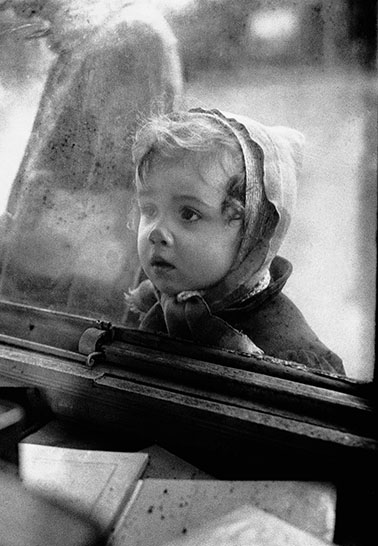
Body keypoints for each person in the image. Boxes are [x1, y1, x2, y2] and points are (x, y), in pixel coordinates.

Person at [0, 0, 183, 322]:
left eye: (32, 8)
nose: (16, 13)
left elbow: (117, 207)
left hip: (69, 315)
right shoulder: (86, 40)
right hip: (39, 289)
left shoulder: (130, 37)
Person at [124, 107, 346, 375]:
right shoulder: (155, 303)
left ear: (250, 233)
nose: (155, 233)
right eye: (149, 210)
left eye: (188, 214)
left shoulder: (287, 353)